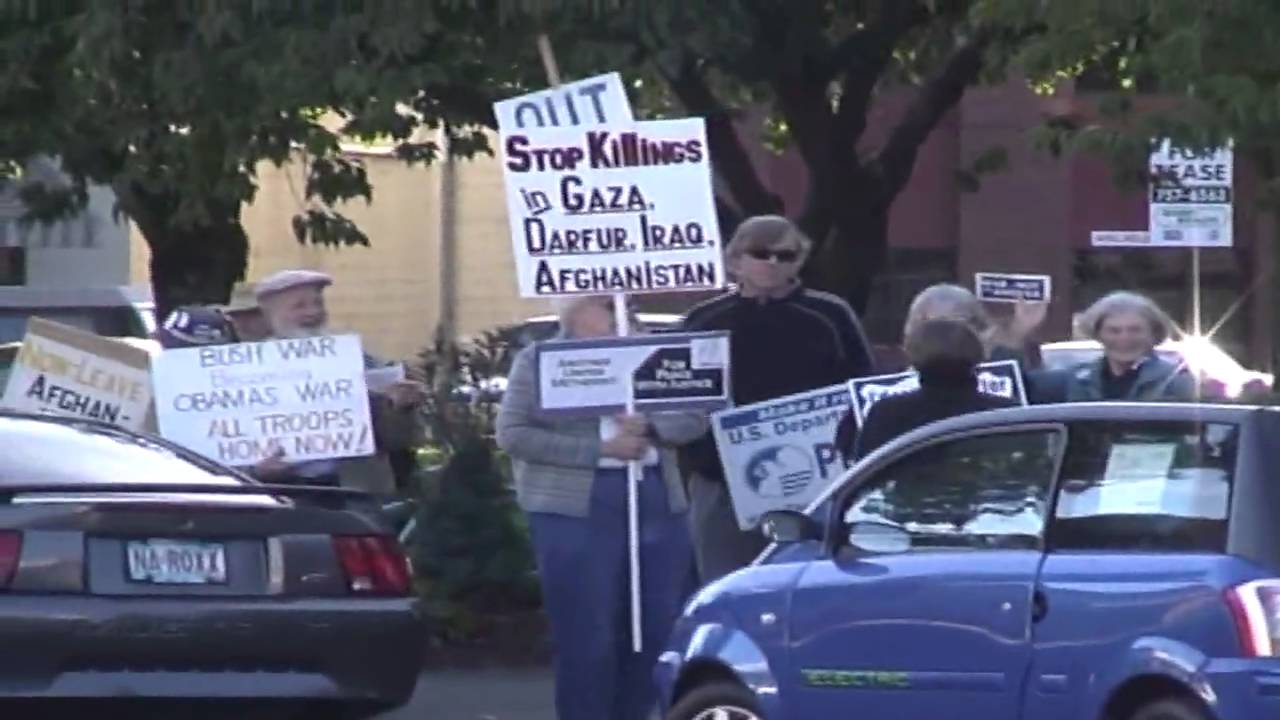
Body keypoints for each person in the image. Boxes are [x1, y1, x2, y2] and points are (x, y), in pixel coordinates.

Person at [495, 294, 705, 720]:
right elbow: (513, 434)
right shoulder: (539, 360)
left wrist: (651, 426)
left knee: (654, 630)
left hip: (656, 500)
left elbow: (698, 415)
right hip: (574, 509)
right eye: (607, 304)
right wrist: (601, 449)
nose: (623, 311)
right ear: (575, 312)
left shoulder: (660, 352)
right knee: (587, 634)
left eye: (625, 303)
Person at [679, 215, 875, 583]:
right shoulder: (703, 320)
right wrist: (704, 459)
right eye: (760, 253)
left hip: (816, 483)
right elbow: (678, 401)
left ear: (799, 262)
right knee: (724, 585)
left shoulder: (831, 315)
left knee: (810, 583)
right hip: (720, 484)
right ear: (736, 260)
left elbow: (862, 389)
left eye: (785, 255)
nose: (772, 263)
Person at [255, 269, 427, 495]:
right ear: (271, 314)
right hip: (282, 495)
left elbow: (396, 439)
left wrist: (400, 407)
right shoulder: (249, 369)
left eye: (318, 303)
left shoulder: (357, 358)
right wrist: (255, 470)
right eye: (299, 306)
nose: (313, 312)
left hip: (354, 491)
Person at [854, 319, 1019, 460]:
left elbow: (861, 474)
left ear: (911, 357)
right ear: (979, 355)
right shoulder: (1007, 414)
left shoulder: (886, 414)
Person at [1062, 291, 1195, 402]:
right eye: (1114, 331)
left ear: (1154, 333)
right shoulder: (1078, 380)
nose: (1124, 338)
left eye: (1135, 330)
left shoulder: (1177, 382)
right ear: (1098, 335)